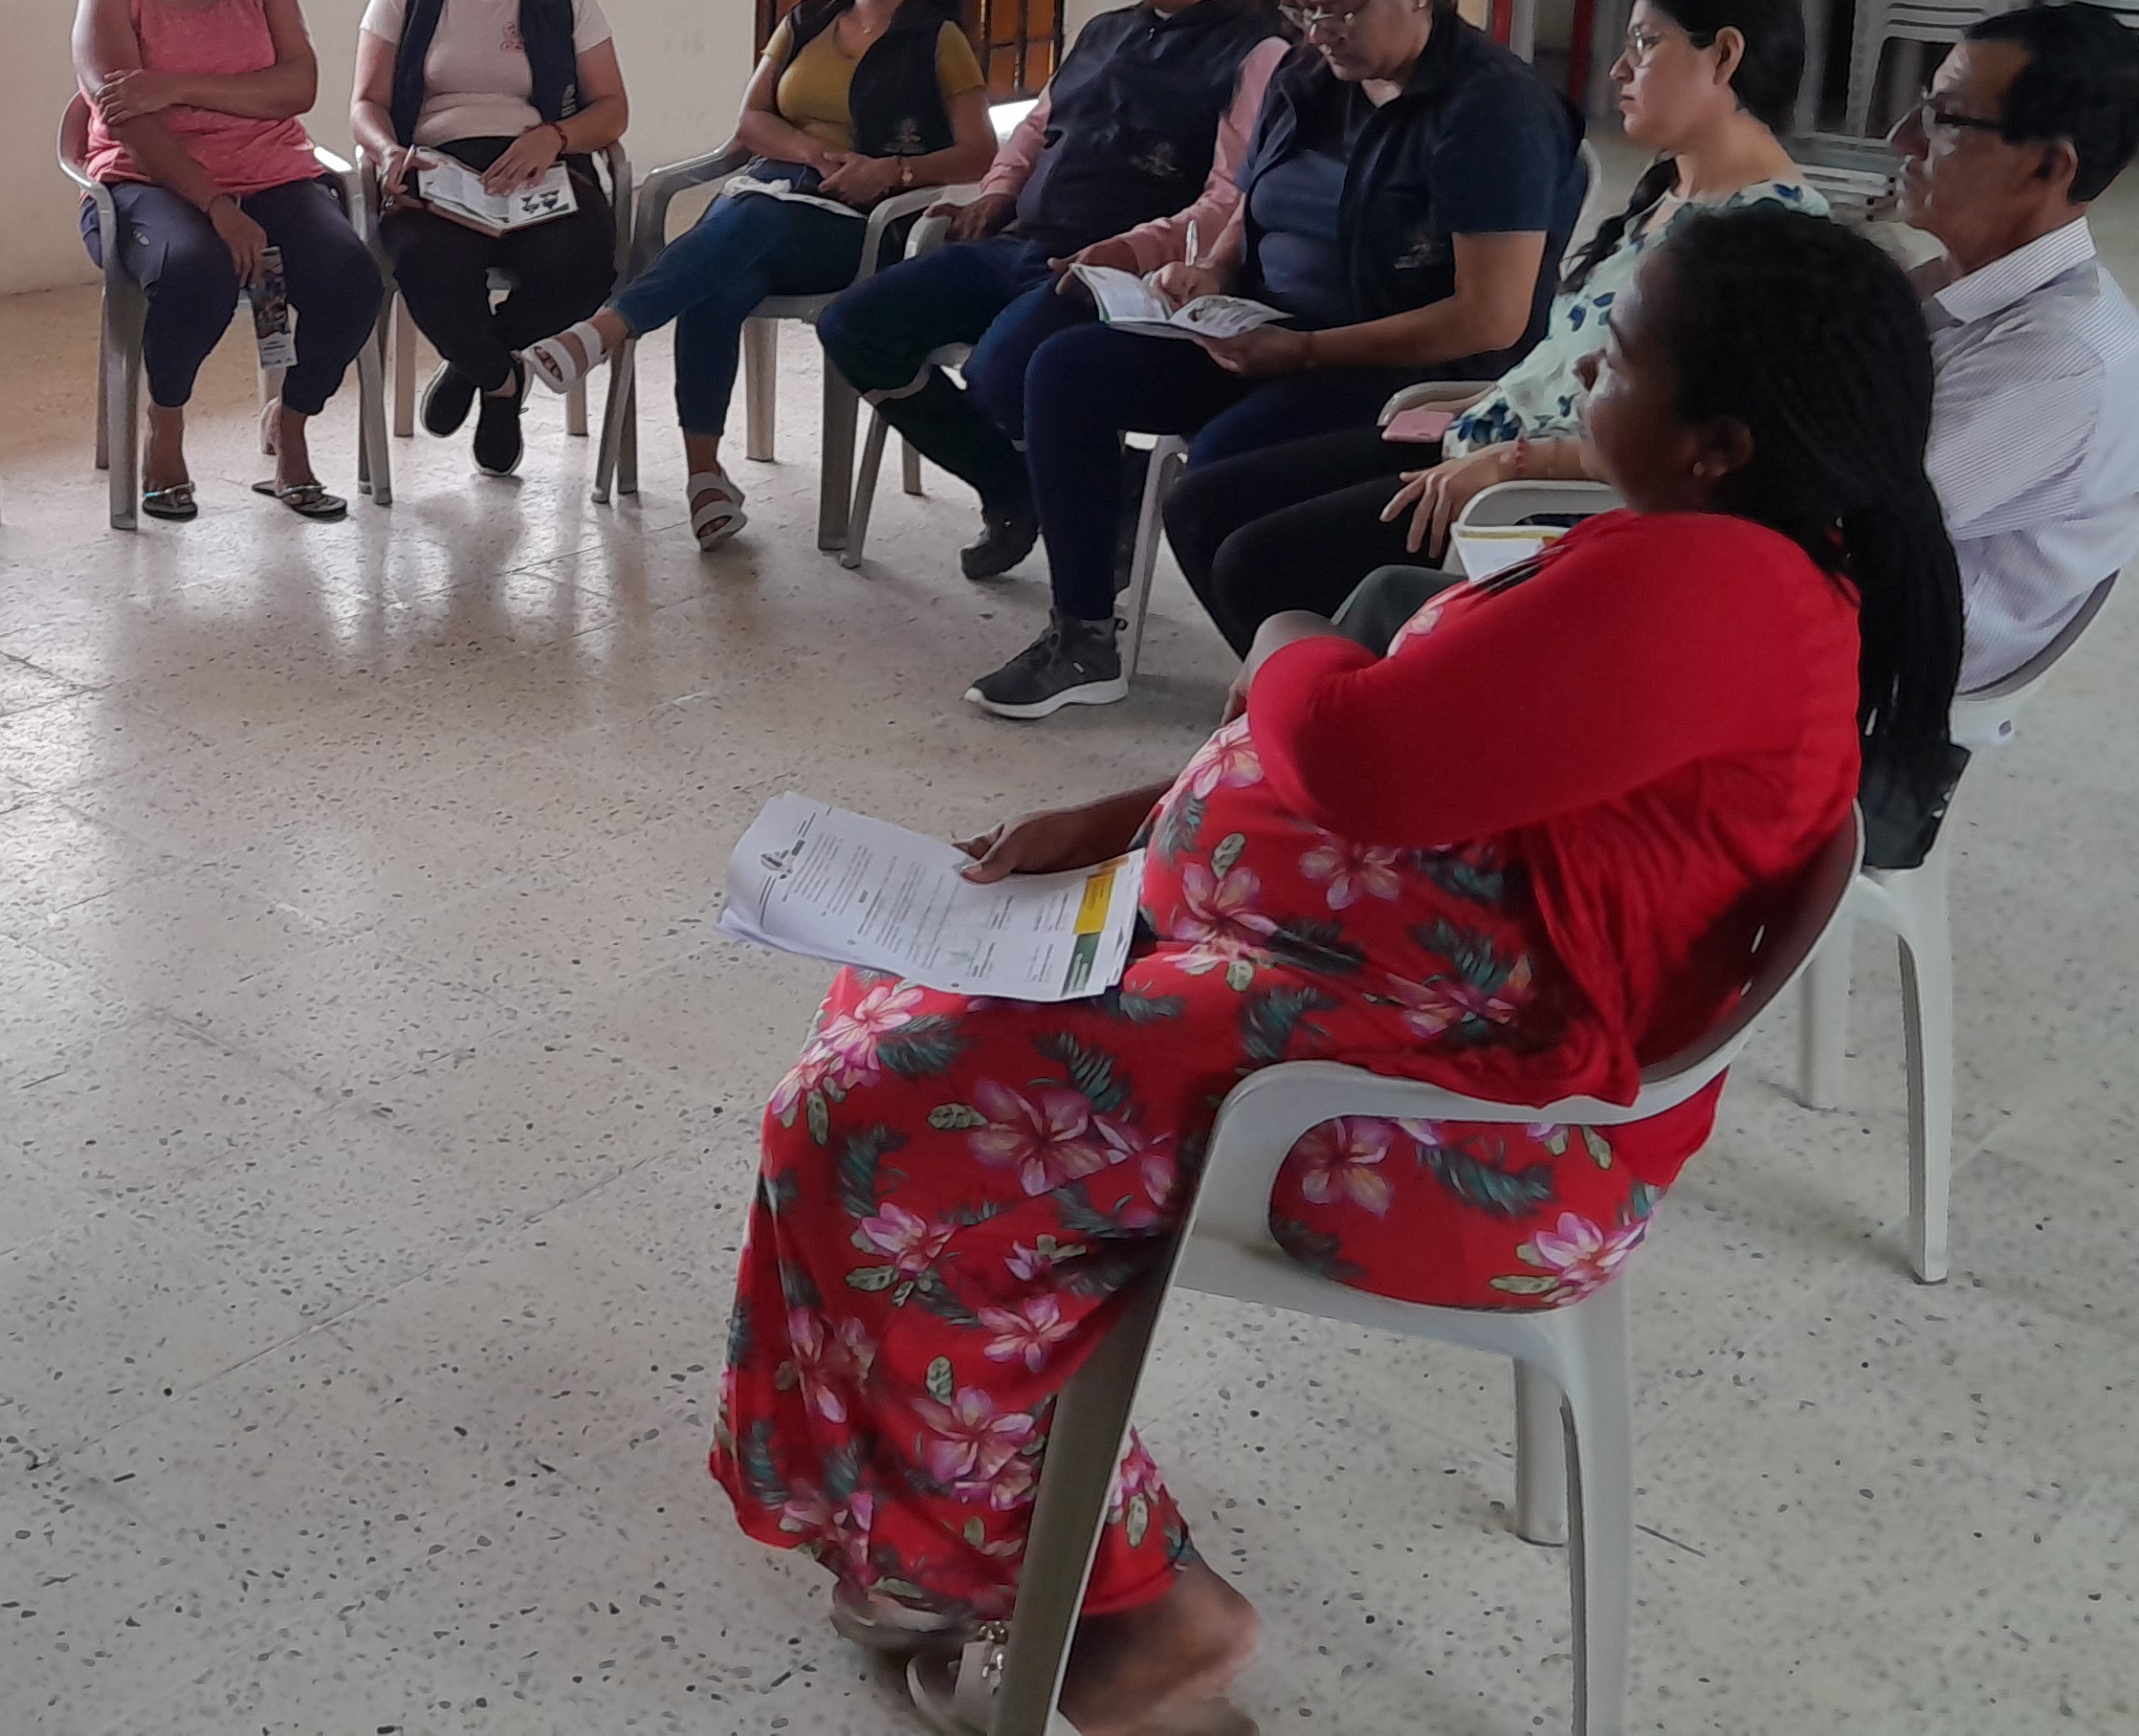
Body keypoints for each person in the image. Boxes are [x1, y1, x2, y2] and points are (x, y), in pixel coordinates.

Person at [716, 206, 1959, 1732]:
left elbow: (1363, 757)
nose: (1586, 382)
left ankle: (1133, 1612)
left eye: (1620, 359)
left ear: (1720, 445)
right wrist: (1138, 821)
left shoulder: (1722, 594)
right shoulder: (1709, 558)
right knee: (883, 1002)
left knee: (865, 1125)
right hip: (1382, 1001)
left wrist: (1292, 638)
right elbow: (1445, 760)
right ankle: (949, 1525)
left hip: (1453, 1125)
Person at [965, 0, 1583, 719]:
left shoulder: (1492, 111)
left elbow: (1491, 318)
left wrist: (1306, 351)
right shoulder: (1308, 72)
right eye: (1305, 11)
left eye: (1342, 12)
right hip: (1267, 330)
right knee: (1065, 370)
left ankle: (1304, 690)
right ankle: (1082, 637)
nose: (1320, 33)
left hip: (1395, 365)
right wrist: (1214, 275)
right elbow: (1255, 203)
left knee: (1220, 471)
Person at [1163, 0, 1823, 655]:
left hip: (1544, 494)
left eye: (1644, 43)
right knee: (1202, 505)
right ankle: (1330, 693)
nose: (1618, 69)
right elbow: (1570, 357)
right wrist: (1472, 402)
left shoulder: (1768, 240)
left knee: (1257, 562)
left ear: (1723, 56)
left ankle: (1360, 702)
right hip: (1489, 435)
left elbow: (1687, 452)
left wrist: (1512, 464)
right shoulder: (1670, 193)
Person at [817, 0, 1288, 581]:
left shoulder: (1258, 53)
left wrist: (1126, 251)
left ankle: (1086, 493)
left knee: (1000, 374)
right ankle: (1028, 490)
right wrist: (996, 192)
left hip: (1117, 276)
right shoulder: (1104, 32)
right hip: (1022, 244)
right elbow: (1034, 130)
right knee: (852, 325)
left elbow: (1229, 199)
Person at [523, 0, 998, 550]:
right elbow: (751, 122)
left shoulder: (936, 38)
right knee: (722, 276)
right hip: (770, 193)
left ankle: (603, 331)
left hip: (856, 224)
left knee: (746, 225)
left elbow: (978, 152)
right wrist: (811, 152)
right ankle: (705, 475)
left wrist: (891, 171)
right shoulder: (806, 21)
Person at [73, 0, 386, 521]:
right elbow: (129, 119)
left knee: (352, 280)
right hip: (147, 184)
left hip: (274, 173)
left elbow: (297, 88)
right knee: (197, 272)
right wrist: (217, 204)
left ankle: (291, 424)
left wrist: (174, 85)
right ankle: (165, 425)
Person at [1890, 0, 2139, 712]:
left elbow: (1838, 520)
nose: (1902, 140)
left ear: (2047, 166)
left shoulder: (2061, 360)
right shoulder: (1951, 287)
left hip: (1886, 677)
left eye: (1945, 120)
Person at [347, 0, 632, 478]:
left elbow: (612, 110)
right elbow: (366, 102)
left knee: (586, 258)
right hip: (438, 166)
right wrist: (389, 152)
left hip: (536, 162)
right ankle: (502, 383)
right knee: (424, 256)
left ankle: (473, 364)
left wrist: (553, 137)